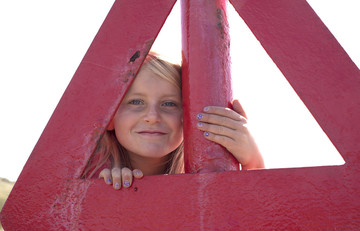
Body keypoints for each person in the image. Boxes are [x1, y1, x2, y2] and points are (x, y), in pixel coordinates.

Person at [82, 53, 264, 189]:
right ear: (110, 118)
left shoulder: (207, 179)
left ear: (188, 117)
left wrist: (253, 162)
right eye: (136, 102)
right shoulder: (83, 174)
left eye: (169, 103)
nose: (152, 117)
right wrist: (111, 194)